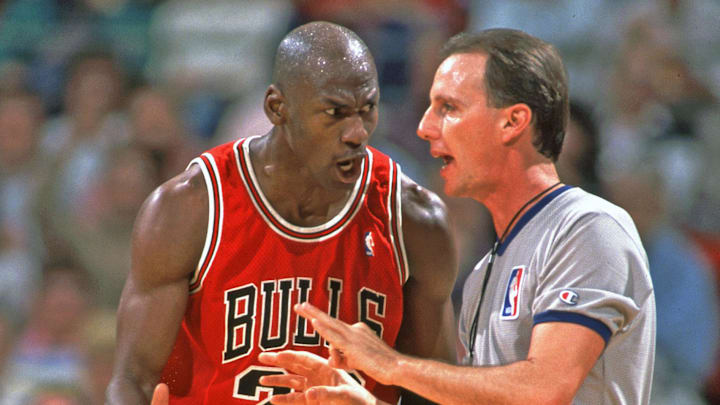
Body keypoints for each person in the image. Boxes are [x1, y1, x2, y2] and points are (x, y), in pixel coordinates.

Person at [260, 28, 656, 405]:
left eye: (448, 108)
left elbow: (545, 389)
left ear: (513, 121)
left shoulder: (589, 227)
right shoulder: (484, 271)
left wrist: (390, 364)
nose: (425, 127)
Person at [105, 21, 458, 405]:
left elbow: (438, 394)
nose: (356, 132)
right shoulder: (192, 207)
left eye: (367, 109)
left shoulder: (413, 220)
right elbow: (132, 379)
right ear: (278, 108)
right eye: (335, 112)